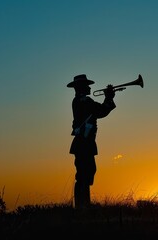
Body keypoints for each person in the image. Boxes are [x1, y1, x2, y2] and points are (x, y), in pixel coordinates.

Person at [67, 74, 116, 209]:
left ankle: (83, 206)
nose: (89, 87)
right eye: (87, 85)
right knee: (84, 174)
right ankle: (82, 207)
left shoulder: (80, 101)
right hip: (84, 142)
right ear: (81, 87)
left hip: (84, 142)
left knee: (86, 173)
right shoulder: (84, 101)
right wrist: (109, 97)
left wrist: (108, 98)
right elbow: (101, 111)